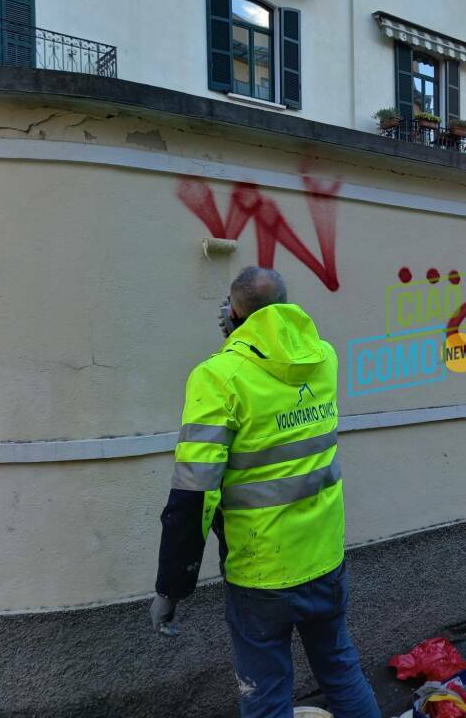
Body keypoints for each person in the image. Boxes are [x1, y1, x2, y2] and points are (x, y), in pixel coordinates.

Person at [150, 266, 381, 718]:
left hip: (262, 573)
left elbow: (194, 494)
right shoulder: (324, 358)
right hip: (324, 557)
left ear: (232, 314)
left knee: (266, 694)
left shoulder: (218, 376)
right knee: (340, 669)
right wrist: (243, 329)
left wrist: (171, 588)